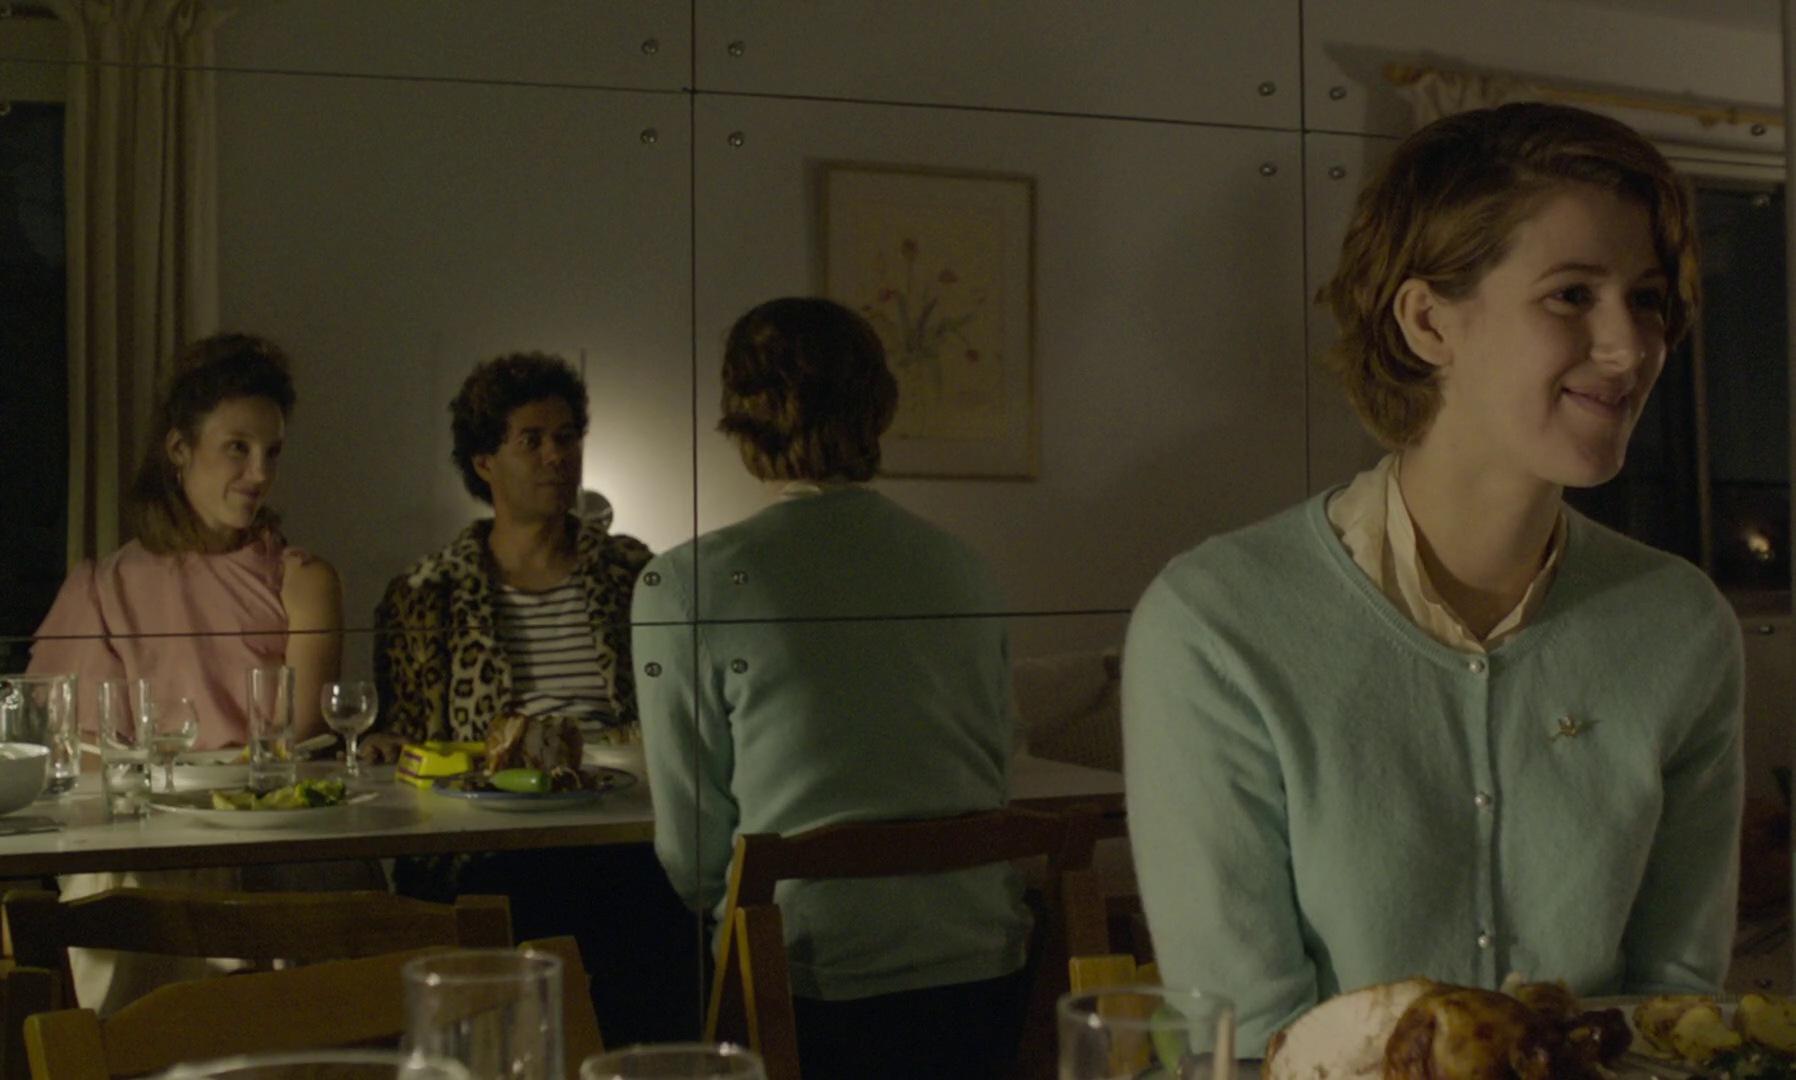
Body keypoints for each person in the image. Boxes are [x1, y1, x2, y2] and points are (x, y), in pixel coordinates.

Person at [1123, 101, 1743, 1054]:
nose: (1629, 346)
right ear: (1427, 322)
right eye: (1572, 295)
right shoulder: (1217, 624)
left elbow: (1675, 1020)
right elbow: (1247, 1042)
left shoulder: (1682, 625)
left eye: (1649, 299)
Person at [634, 297, 1029, 1079]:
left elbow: (693, 856)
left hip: (805, 982)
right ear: (880, 408)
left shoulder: (683, 585)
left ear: (740, 420)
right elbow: (997, 764)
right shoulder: (964, 566)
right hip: (985, 972)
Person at [371, 352, 694, 1044]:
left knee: (658, 925)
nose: (557, 456)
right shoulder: (427, 593)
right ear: (485, 461)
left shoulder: (635, 574)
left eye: (568, 437)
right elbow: (405, 743)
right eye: (533, 439)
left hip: (622, 828)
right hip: (491, 841)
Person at [27, 332, 347, 1013]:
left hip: (267, 841)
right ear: (179, 449)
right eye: (238, 448)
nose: (259, 473)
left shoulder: (303, 581)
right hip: (145, 841)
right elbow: (72, 751)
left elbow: (299, 737)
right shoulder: (102, 587)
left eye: (272, 452)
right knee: (120, 881)